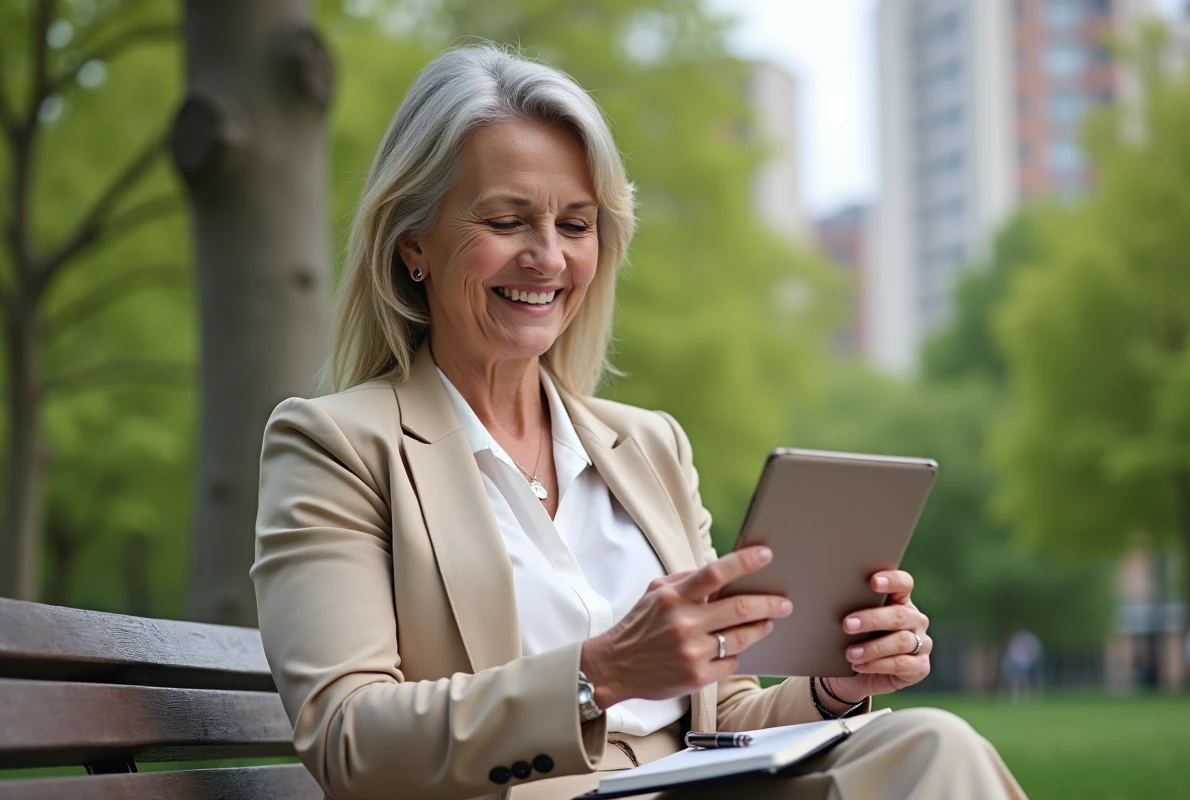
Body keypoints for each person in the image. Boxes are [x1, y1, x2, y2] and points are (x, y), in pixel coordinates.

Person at [250, 44, 1027, 800]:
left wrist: (830, 688)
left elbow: (722, 718)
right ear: (413, 241)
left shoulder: (649, 445)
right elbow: (348, 741)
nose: (549, 258)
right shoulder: (338, 446)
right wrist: (600, 674)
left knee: (933, 743)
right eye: (508, 220)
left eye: (577, 225)